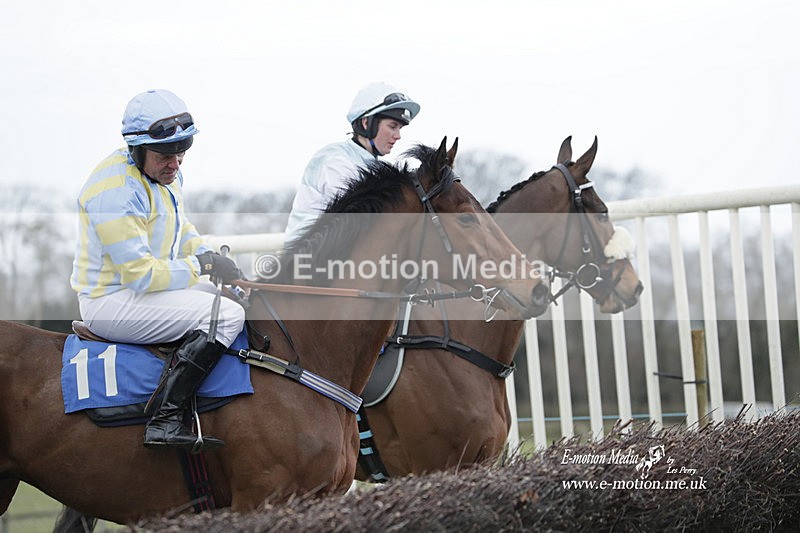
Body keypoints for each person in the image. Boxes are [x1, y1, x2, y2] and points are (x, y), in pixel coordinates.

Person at [70, 89, 246, 451]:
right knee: (226, 317)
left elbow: (181, 235)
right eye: (166, 154)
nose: (176, 163)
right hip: (111, 301)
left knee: (231, 298)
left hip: (142, 293)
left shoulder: (166, 177)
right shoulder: (115, 191)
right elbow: (142, 276)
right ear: (136, 149)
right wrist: (202, 265)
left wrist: (211, 257)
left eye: (182, 152)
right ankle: (164, 420)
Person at [283, 82, 420, 243]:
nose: (398, 136)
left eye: (400, 129)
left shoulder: (373, 165)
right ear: (366, 123)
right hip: (309, 261)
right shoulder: (336, 161)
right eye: (392, 126)